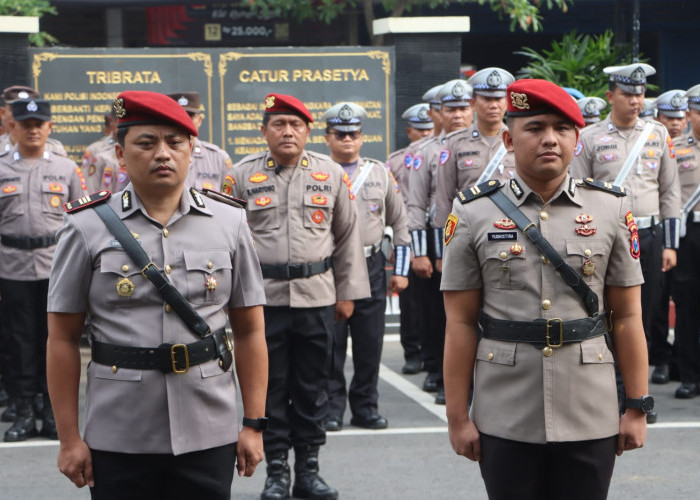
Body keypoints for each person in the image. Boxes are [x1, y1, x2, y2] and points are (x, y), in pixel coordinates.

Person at [46, 90, 268, 499]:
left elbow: (251, 331)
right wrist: (69, 438)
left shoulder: (229, 222)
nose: (162, 153)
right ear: (120, 152)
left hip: (208, 427)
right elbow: (61, 338)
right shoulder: (85, 227)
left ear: (192, 150)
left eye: (175, 142)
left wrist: (253, 424)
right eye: (147, 143)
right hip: (119, 432)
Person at [442, 78, 650, 500]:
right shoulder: (473, 211)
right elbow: (460, 323)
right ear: (508, 139)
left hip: (589, 408)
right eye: (535, 128)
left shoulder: (610, 207)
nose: (550, 139)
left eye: (562, 128)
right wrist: (457, 417)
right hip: (505, 410)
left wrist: (636, 406)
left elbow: (628, 316)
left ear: (577, 137)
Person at [227, 93, 369, 500]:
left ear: (308, 132)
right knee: (268, 387)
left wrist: (348, 294)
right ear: (264, 131)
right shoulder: (239, 176)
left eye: (295, 124)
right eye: (278, 124)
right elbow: (228, 244)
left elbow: (347, 238)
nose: (287, 131)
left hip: (317, 297)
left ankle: (308, 470)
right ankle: (276, 473)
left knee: (313, 386)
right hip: (261, 302)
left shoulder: (330, 174)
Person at [570, 64, 680, 423]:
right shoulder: (590, 137)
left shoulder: (658, 133)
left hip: (647, 237)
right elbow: (578, 190)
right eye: (629, 94)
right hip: (603, 237)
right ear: (610, 96)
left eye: (640, 93)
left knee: (642, 317)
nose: (636, 100)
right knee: (603, 315)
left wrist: (670, 244)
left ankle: (638, 397)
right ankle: (610, 395)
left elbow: (670, 192)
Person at [0, 98, 86, 442]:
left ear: (50, 127)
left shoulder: (66, 169)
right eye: (26, 124)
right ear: (12, 128)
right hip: (11, 265)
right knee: (19, 341)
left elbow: (83, 221)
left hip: (56, 264)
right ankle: (23, 411)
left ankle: (52, 412)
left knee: (57, 341)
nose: (33, 129)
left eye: (40, 123)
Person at [322, 102, 410, 432]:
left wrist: (400, 271)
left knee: (369, 343)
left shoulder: (379, 173)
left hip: (371, 263)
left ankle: (366, 407)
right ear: (328, 137)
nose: (347, 139)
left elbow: (401, 223)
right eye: (340, 133)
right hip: (330, 267)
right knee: (331, 343)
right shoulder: (317, 171)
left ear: (362, 137)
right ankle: (332, 408)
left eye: (354, 133)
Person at [408, 79, 473, 405]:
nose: (459, 115)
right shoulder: (425, 152)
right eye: (451, 109)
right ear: (438, 113)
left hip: (478, 239)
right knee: (436, 312)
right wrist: (421, 252)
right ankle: (435, 367)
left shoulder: (494, 145)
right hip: (438, 240)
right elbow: (417, 204)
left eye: (463, 108)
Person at [434, 67, 516, 232]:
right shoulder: (454, 144)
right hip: (470, 230)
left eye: (499, 98)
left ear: (507, 102)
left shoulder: (519, 140)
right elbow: (444, 200)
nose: (493, 105)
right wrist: (443, 250)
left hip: (513, 228)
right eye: (487, 99)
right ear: (473, 103)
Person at [386, 103, 433, 375]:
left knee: (435, 305)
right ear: (409, 131)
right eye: (420, 130)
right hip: (408, 235)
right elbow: (392, 207)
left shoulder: (442, 154)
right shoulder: (395, 161)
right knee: (411, 302)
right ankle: (412, 353)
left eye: (430, 129)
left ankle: (432, 356)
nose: (426, 134)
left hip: (438, 233)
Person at [671, 83, 700, 399]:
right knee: (687, 303)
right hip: (688, 231)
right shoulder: (675, 148)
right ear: (690, 113)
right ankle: (690, 374)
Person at [166, 92, 234, 191]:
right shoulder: (158, 156)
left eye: (190, 117)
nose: (184, 122)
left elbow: (230, 200)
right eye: (179, 116)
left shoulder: (219, 159)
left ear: (199, 120)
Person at [0, 86, 68, 156]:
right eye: (16, 110)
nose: (21, 116)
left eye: (26, 111)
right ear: (3, 113)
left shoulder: (54, 149)